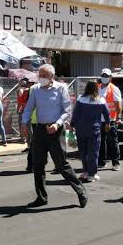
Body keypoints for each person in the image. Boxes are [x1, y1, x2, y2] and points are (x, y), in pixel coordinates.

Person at [21, 64, 88, 208]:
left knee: (61, 164)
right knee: (38, 165)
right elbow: (28, 108)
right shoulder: (36, 90)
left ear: (51, 77)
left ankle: (80, 191)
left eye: (44, 76)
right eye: (40, 75)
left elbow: (67, 110)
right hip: (40, 130)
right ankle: (41, 197)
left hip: (56, 130)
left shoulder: (61, 88)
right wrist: (24, 123)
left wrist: (57, 124)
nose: (41, 78)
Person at [70, 81, 110, 182]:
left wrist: (72, 125)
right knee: (93, 152)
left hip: (80, 129)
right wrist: (107, 123)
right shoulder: (100, 100)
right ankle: (92, 174)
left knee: (83, 152)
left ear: (86, 88)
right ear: (96, 88)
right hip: (94, 130)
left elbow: (75, 114)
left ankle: (85, 172)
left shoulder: (80, 98)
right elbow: (107, 113)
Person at [98, 68, 121, 171]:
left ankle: (116, 163)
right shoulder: (97, 87)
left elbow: (118, 105)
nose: (104, 78)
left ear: (110, 77)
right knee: (100, 141)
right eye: (103, 76)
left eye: (107, 76)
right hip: (99, 119)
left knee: (112, 142)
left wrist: (118, 118)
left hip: (110, 120)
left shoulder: (114, 89)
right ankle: (102, 162)